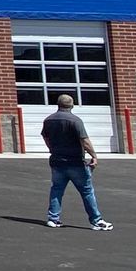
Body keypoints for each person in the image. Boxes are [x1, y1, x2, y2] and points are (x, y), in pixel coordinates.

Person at [42, 93, 112, 231]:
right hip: (75, 162)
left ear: (58, 105)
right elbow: (84, 140)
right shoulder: (75, 121)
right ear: (72, 105)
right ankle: (96, 221)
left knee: (56, 189)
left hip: (57, 161)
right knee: (86, 191)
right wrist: (94, 155)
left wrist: (51, 149)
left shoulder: (48, 120)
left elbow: (45, 136)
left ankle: (53, 219)